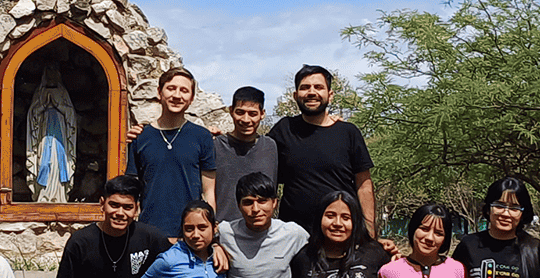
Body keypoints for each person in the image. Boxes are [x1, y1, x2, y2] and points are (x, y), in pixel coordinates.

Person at [266, 64, 376, 235]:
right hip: (294, 237)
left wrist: (370, 232)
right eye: (305, 87)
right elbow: (253, 153)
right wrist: (219, 137)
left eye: (318, 87)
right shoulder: (284, 129)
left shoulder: (348, 133)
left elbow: (364, 185)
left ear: (330, 95)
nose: (311, 92)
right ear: (296, 96)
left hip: (341, 234)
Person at [125, 68, 217, 236]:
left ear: (191, 99)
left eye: (184, 90)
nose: (177, 95)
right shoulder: (140, 137)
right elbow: (131, 189)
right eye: (171, 88)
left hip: (190, 234)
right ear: (159, 92)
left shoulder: (202, 137)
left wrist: (210, 234)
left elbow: (209, 191)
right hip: (148, 232)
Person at [211, 86, 278, 225]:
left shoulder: (270, 147)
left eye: (252, 114)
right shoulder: (215, 146)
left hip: (261, 231)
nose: (246, 120)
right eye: (240, 112)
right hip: (223, 229)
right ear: (231, 111)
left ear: (262, 114)